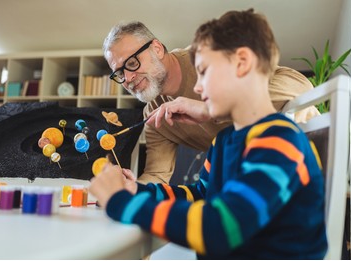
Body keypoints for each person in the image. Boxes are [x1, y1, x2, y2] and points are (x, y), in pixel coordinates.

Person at [89, 9, 327, 259]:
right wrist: (136, 190)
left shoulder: (279, 140)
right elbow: (201, 193)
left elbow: (221, 228)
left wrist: (121, 203)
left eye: (203, 71)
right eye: (119, 74)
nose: (198, 86)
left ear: (242, 63)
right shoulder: (224, 141)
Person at [102, 19, 319, 185]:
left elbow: (299, 84)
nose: (127, 79)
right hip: (252, 182)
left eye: (131, 63)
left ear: (157, 49)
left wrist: (211, 109)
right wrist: (133, 188)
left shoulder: (208, 58)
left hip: (311, 161)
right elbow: (157, 175)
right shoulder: (154, 114)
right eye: (118, 74)